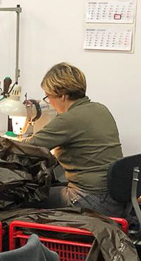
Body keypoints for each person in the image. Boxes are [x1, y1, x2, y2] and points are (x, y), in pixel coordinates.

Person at [25, 63, 125, 216]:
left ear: (63, 95)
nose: (49, 102)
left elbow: (26, 147)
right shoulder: (100, 108)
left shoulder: (69, 119)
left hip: (90, 199)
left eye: (48, 96)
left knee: (22, 197)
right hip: (114, 197)